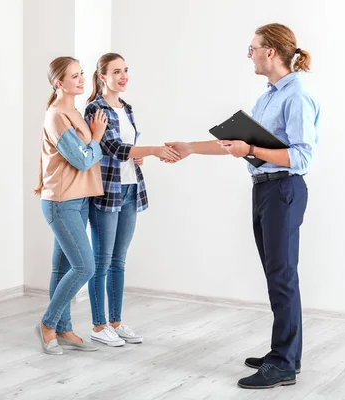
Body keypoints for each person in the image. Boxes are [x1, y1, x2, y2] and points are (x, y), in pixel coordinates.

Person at [167, 23, 320, 389]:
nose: (249, 54)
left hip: (284, 190)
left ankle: (283, 362)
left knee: (283, 277)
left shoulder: (296, 95)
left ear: (271, 51)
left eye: (252, 48)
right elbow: (236, 143)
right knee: (276, 276)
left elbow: (301, 157)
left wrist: (251, 150)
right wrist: (189, 147)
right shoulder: (268, 95)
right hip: (265, 190)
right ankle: (285, 354)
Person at [84, 53, 181, 347]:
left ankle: (115, 321)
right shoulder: (95, 109)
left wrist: (139, 156)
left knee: (119, 261)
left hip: (130, 190)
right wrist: (150, 150)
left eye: (125, 71)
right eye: (116, 72)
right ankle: (98, 326)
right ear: (102, 77)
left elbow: (129, 148)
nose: (123, 76)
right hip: (107, 192)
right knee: (101, 262)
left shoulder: (126, 108)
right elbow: (111, 145)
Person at [33, 56, 108, 355]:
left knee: (63, 266)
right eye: (73, 76)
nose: (80, 80)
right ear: (58, 83)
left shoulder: (74, 111)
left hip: (80, 199)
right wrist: (97, 138)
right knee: (84, 266)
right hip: (60, 201)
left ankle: (63, 329)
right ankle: (47, 324)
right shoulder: (56, 116)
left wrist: (93, 143)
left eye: (81, 74)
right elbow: (82, 159)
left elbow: (85, 155)